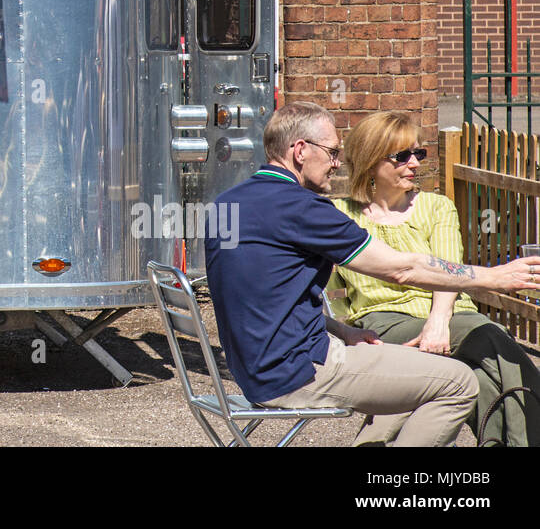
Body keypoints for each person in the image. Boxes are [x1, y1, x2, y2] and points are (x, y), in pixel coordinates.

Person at [205, 100, 540, 446]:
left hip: (253, 372)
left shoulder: (225, 205)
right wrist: (495, 277)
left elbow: (258, 298)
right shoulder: (304, 210)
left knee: (425, 369)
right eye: (333, 152)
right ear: (301, 150)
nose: (337, 164)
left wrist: (341, 329)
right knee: (459, 383)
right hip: (299, 372)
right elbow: (402, 269)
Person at [329, 111, 540, 446]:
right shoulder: (340, 215)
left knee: (478, 377)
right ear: (370, 161)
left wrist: (438, 322)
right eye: (402, 156)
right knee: (491, 336)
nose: (414, 163)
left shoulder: (436, 207)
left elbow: (446, 267)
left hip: (452, 314)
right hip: (386, 320)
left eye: (419, 154)